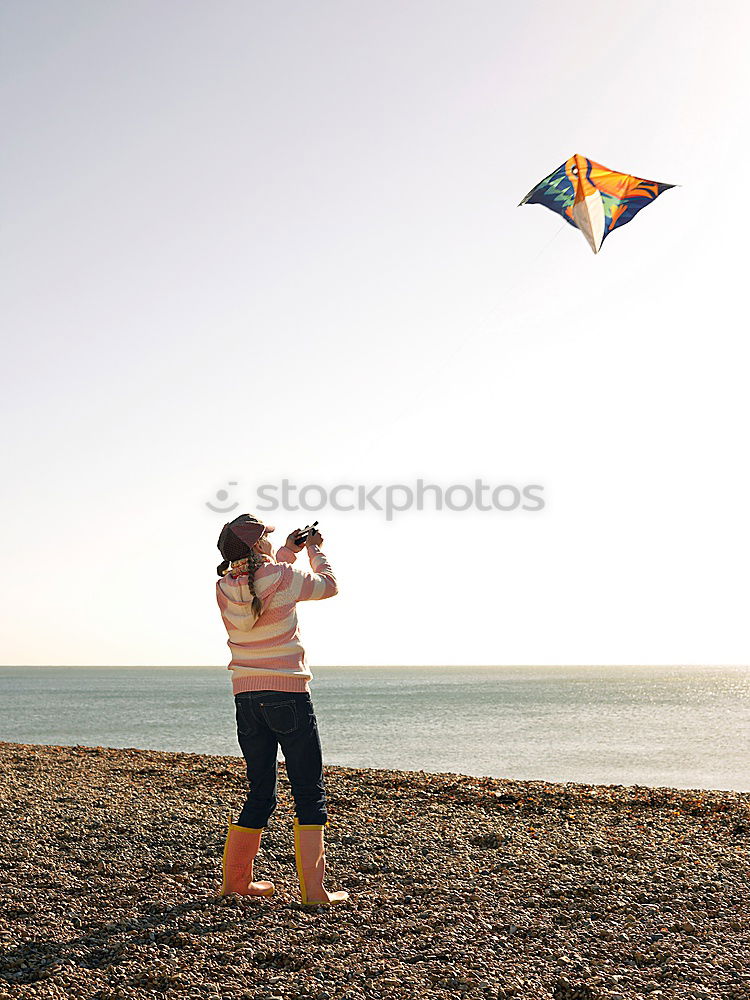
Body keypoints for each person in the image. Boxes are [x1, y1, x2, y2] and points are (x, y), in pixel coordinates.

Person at [215, 513, 349, 906]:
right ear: (258, 546)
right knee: (309, 791)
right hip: (288, 694)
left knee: (261, 791)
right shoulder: (282, 577)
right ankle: (315, 890)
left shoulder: (224, 587)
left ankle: (237, 882)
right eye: (267, 539)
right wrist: (316, 551)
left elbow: (263, 582)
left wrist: (289, 550)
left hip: (246, 699)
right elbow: (329, 587)